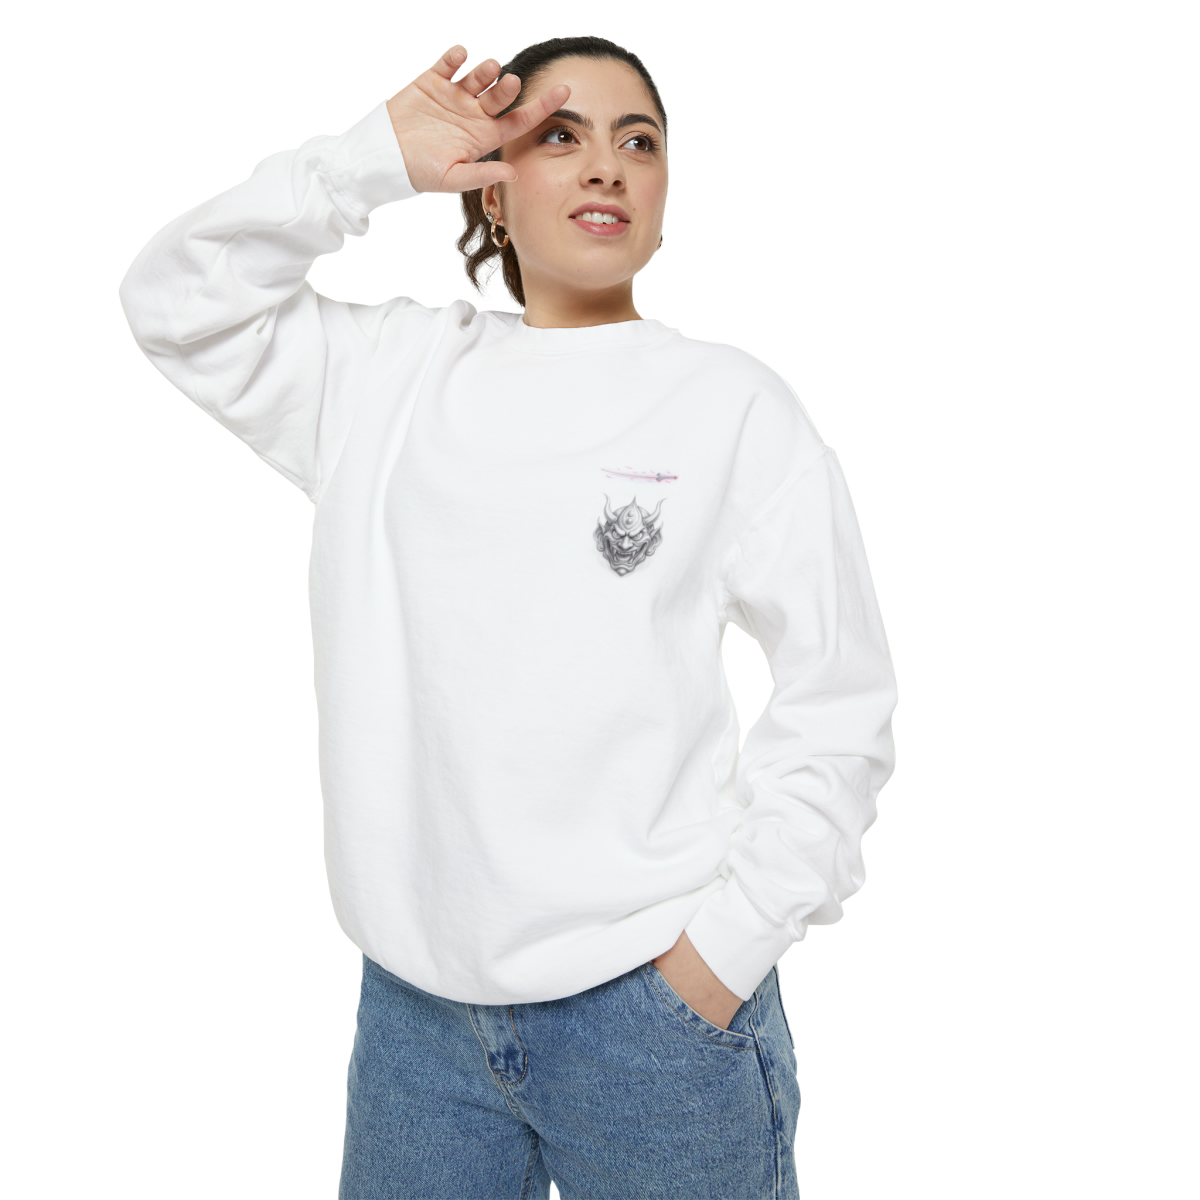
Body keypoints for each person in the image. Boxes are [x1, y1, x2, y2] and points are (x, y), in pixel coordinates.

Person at [119, 35, 898, 1200]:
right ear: (490, 184)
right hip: (417, 1027)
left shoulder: (731, 407)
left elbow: (840, 694)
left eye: (639, 142)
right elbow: (176, 304)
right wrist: (370, 160)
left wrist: (724, 957)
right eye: (560, 136)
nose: (606, 165)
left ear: (664, 194)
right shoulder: (384, 379)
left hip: (654, 1017)